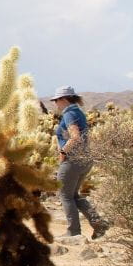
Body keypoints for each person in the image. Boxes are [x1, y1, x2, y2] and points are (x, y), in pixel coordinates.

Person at [51, 86, 107, 240]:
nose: (56, 103)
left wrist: (63, 152)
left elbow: (75, 136)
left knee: (65, 195)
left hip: (73, 160)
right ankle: (99, 224)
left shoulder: (69, 113)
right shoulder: (78, 112)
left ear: (64, 99)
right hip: (84, 159)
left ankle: (73, 232)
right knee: (73, 195)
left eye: (56, 100)